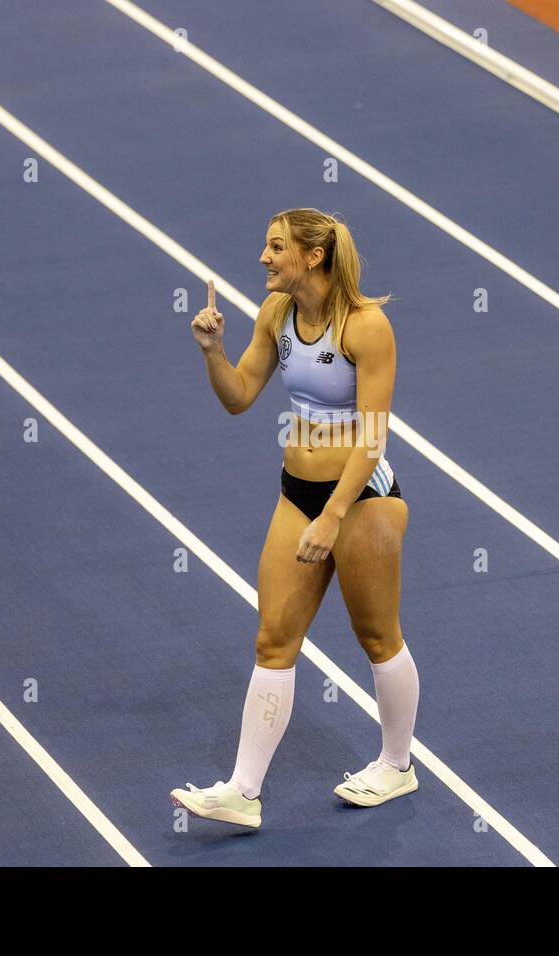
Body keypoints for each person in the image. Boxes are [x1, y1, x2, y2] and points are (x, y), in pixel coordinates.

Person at [170, 208, 419, 828]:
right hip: (296, 493)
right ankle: (242, 792)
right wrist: (212, 351)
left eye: (275, 247)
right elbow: (238, 398)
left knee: (376, 635)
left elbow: (372, 439)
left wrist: (333, 517)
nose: (262, 257)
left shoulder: (367, 327)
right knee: (272, 638)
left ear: (313, 256)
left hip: (362, 498)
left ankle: (397, 764)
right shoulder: (277, 316)